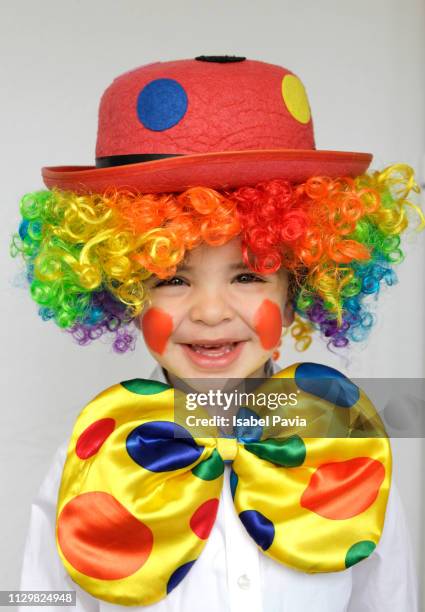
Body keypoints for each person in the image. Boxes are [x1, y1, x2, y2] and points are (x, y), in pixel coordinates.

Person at [11, 55, 422, 611]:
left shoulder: (347, 445)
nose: (209, 312)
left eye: (249, 273)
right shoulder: (86, 460)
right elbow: (40, 601)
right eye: (171, 277)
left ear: (298, 286)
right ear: (125, 291)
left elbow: (390, 599)